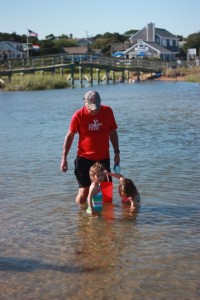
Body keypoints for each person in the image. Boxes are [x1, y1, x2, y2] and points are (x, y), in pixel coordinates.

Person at [61, 90, 120, 205]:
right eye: (91, 108)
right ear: (85, 103)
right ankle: (81, 217)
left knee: (107, 193)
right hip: (84, 159)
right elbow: (69, 136)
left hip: (103, 159)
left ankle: (105, 220)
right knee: (84, 192)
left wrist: (117, 152)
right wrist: (64, 158)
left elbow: (113, 132)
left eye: (96, 108)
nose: (94, 111)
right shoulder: (78, 115)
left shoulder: (107, 111)